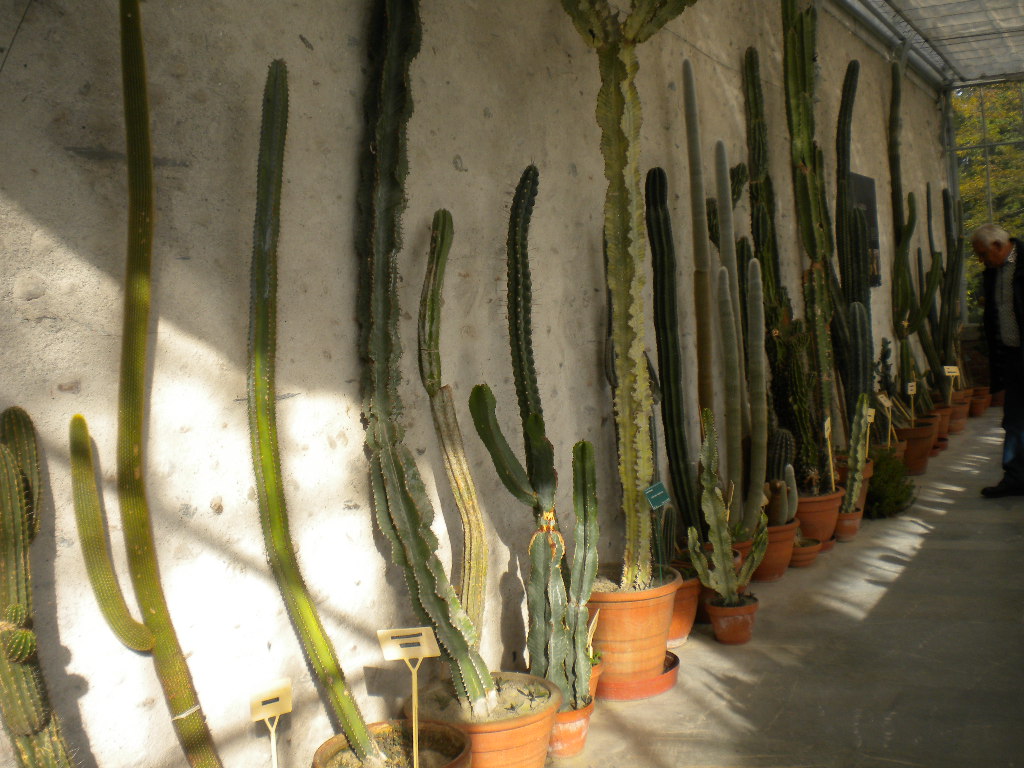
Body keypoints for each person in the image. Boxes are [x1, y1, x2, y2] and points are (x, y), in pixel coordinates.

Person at [972, 223, 1024, 497]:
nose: (981, 260)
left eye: (983, 254)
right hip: (1012, 356)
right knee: (1014, 420)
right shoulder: (993, 273)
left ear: (998, 246)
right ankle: (1015, 478)